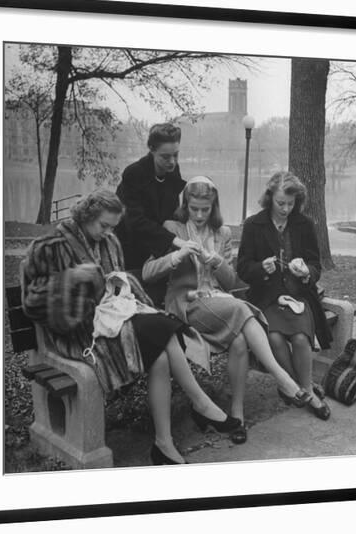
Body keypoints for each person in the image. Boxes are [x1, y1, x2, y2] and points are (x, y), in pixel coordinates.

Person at [21, 189, 240, 466]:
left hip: (113, 319)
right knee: (163, 327)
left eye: (113, 226)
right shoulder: (50, 246)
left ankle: (164, 443)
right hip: (79, 334)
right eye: (103, 225)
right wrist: (72, 278)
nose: (108, 232)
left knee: (160, 353)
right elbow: (32, 302)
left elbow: (117, 282)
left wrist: (119, 287)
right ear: (86, 216)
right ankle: (201, 402)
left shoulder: (110, 242)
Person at [142, 177, 311, 444]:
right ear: (185, 205)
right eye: (194, 208)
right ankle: (283, 378)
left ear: (213, 207)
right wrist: (176, 255)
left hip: (219, 307)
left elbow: (231, 282)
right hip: (186, 305)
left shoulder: (222, 234)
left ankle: (237, 415)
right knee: (240, 308)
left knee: (241, 340)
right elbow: (147, 272)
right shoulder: (172, 229)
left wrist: (219, 262)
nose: (199, 215)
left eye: (205, 209)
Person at [236, 171, 332, 421]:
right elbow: (243, 268)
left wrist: (305, 272)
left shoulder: (305, 224)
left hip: (298, 296)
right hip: (266, 297)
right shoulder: (254, 225)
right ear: (270, 198)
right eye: (281, 203)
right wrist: (260, 268)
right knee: (276, 339)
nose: (286, 209)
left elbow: (315, 265)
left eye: (291, 204)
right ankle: (301, 389)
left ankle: (305, 390)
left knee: (300, 339)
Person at [115, 123, 189, 272]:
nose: (172, 161)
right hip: (131, 249)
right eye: (165, 156)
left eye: (176, 155)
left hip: (161, 249)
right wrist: (173, 240)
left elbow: (173, 212)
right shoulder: (134, 173)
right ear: (152, 149)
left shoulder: (173, 171)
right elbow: (135, 221)